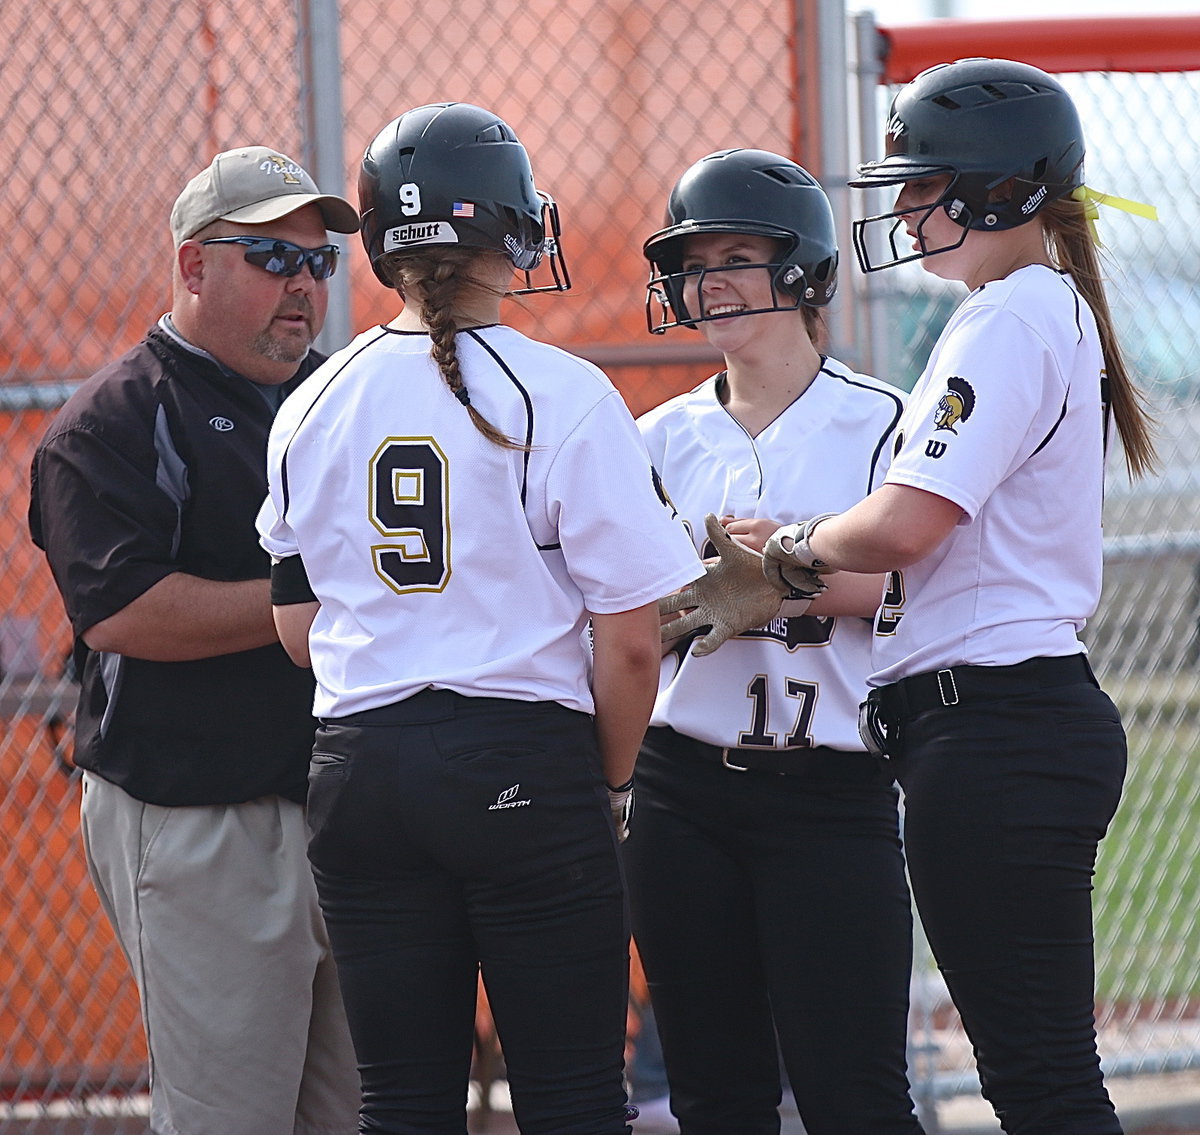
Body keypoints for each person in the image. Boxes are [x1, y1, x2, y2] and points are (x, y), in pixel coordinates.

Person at [669, 59, 1157, 1135]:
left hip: (994, 723)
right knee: (1038, 1075)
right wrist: (793, 574)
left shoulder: (1009, 317)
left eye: (927, 182)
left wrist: (785, 549)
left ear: (1003, 189)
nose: (904, 207)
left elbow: (902, 525)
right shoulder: (1030, 307)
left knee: (1040, 1082)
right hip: (995, 722)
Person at [255, 102, 702, 1135]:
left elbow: (296, 627)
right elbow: (631, 643)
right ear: (513, 230)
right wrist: (612, 778)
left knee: (402, 1104)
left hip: (358, 764)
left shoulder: (313, 402)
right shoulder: (565, 392)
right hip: (520, 753)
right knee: (576, 1101)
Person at [28, 146, 362, 1135]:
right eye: (270, 256)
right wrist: (307, 602)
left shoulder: (341, 399)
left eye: (318, 262)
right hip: (201, 815)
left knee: (353, 1112)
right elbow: (122, 610)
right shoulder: (115, 419)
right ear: (192, 266)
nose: (302, 284)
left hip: (342, 803)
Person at [627, 148, 925, 1135]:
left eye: (737, 256)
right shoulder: (658, 437)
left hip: (831, 794)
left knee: (857, 1096)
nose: (707, 283)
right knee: (715, 1096)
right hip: (683, 792)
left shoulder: (881, 420)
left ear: (801, 269)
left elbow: (911, 585)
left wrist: (789, 575)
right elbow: (621, 610)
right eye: (692, 261)